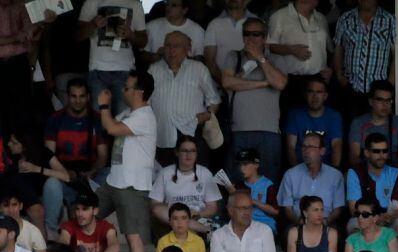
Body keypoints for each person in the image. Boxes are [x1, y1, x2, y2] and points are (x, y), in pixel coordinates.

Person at [93, 70, 156, 252]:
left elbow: (110, 128)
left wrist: (103, 105)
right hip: (113, 181)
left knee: (133, 235)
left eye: (128, 87)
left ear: (139, 92)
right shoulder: (130, 112)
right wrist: (105, 110)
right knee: (87, 214)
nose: (124, 90)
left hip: (132, 185)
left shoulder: (145, 116)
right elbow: (109, 123)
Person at [41, 78, 110, 238]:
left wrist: (93, 171)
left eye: (81, 96)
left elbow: (102, 156)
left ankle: (94, 225)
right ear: (67, 96)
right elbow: (48, 154)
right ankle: (51, 232)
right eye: (73, 96)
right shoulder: (56, 119)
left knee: (111, 174)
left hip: (89, 175)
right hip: (63, 173)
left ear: (88, 97)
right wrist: (66, 174)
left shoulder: (97, 119)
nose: (78, 100)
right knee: (51, 183)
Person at [221, 17, 286, 182]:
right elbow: (228, 82)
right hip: (239, 130)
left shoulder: (276, 59)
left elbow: (279, 83)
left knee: (268, 183)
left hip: (269, 131)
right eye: (247, 34)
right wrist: (264, 83)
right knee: (237, 182)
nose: (250, 38)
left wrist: (260, 58)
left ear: (264, 38)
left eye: (256, 34)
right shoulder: (233, 56)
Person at [146, 33, 220, 156]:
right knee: (165, 174)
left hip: (191, 132)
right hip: (162, 134)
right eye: (168, 45)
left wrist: (206, 116)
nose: (172, 50)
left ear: (187, 49)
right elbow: (145, 101)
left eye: (177, 46)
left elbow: (213, 99)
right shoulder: (154, 70)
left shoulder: (199, 69)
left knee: (194, 174)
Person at [78, 0, 148, 114]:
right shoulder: (92, 2)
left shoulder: (135, 4)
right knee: (98, 119)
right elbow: (76, 36)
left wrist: (131, 34)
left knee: (124, 120)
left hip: (125, 71)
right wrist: (93, 24)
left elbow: (143, 41)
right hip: (97, 70)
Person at [346, 133, 398, 248]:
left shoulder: (395, 173)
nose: (382, 155)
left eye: (385, 151)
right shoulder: (355, 172)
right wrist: (374, 219)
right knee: (354, 225)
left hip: (388, 219)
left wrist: (384, 218)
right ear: (366, 153)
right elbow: (353, 209)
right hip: (363, 217)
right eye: (376, 151)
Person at [332, 0, 395, 112]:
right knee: (351, 127)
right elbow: (338, 49)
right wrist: (339, 76)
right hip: (350, 88)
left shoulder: (390, 20)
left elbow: (397, 55)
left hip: (378, 92)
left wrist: (388, 85)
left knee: (377, 128)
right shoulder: (345, 19)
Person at [278, 132, 346, 227]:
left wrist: (325, 222)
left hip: (326, 224)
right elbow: (287, 209)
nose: (306, 150)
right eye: (304, 147)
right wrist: (299, 222)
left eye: (311, 147)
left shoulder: (335, 175)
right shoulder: (290, 174)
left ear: (322, 151)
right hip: (298, 224)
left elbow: (338, 209)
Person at [347, 80, 398, 168]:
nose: (384, 104)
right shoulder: (358, 123)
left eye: (388, 100)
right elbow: (354, 157)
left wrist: (388, 174)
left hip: (394, 171)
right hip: (367, 172)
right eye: (380, 100)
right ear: (371, 101)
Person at [283, 76, 343, 168]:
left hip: (325, 168)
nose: (315, 96)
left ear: (325, 96)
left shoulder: (334, 116)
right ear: (305, 94)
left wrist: (334, 172)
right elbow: (291, 147)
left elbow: (336, 145)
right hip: (300, 166)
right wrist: (297, 172)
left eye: (319, 92)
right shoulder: (295, 114)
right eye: (311, 91)